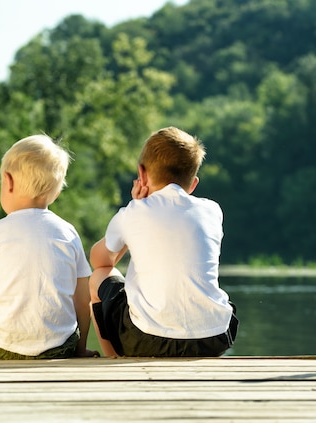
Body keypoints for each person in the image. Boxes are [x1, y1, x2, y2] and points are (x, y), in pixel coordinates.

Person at [89, 126, 239, 357]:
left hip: (148, 340)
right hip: (213, 338)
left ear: (142, 173)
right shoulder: (212, 210)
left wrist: (134, 214)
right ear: (193, 184)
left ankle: (112, 359)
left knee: (98, 277)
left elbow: (99, 261)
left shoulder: (134, 212)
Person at [0, 135, 98, 359]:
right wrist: (80, 348)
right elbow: (83, 302)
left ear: (8, 181)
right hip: (58, 349)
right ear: (56, 193)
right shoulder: (68, 233)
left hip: (3, 349)